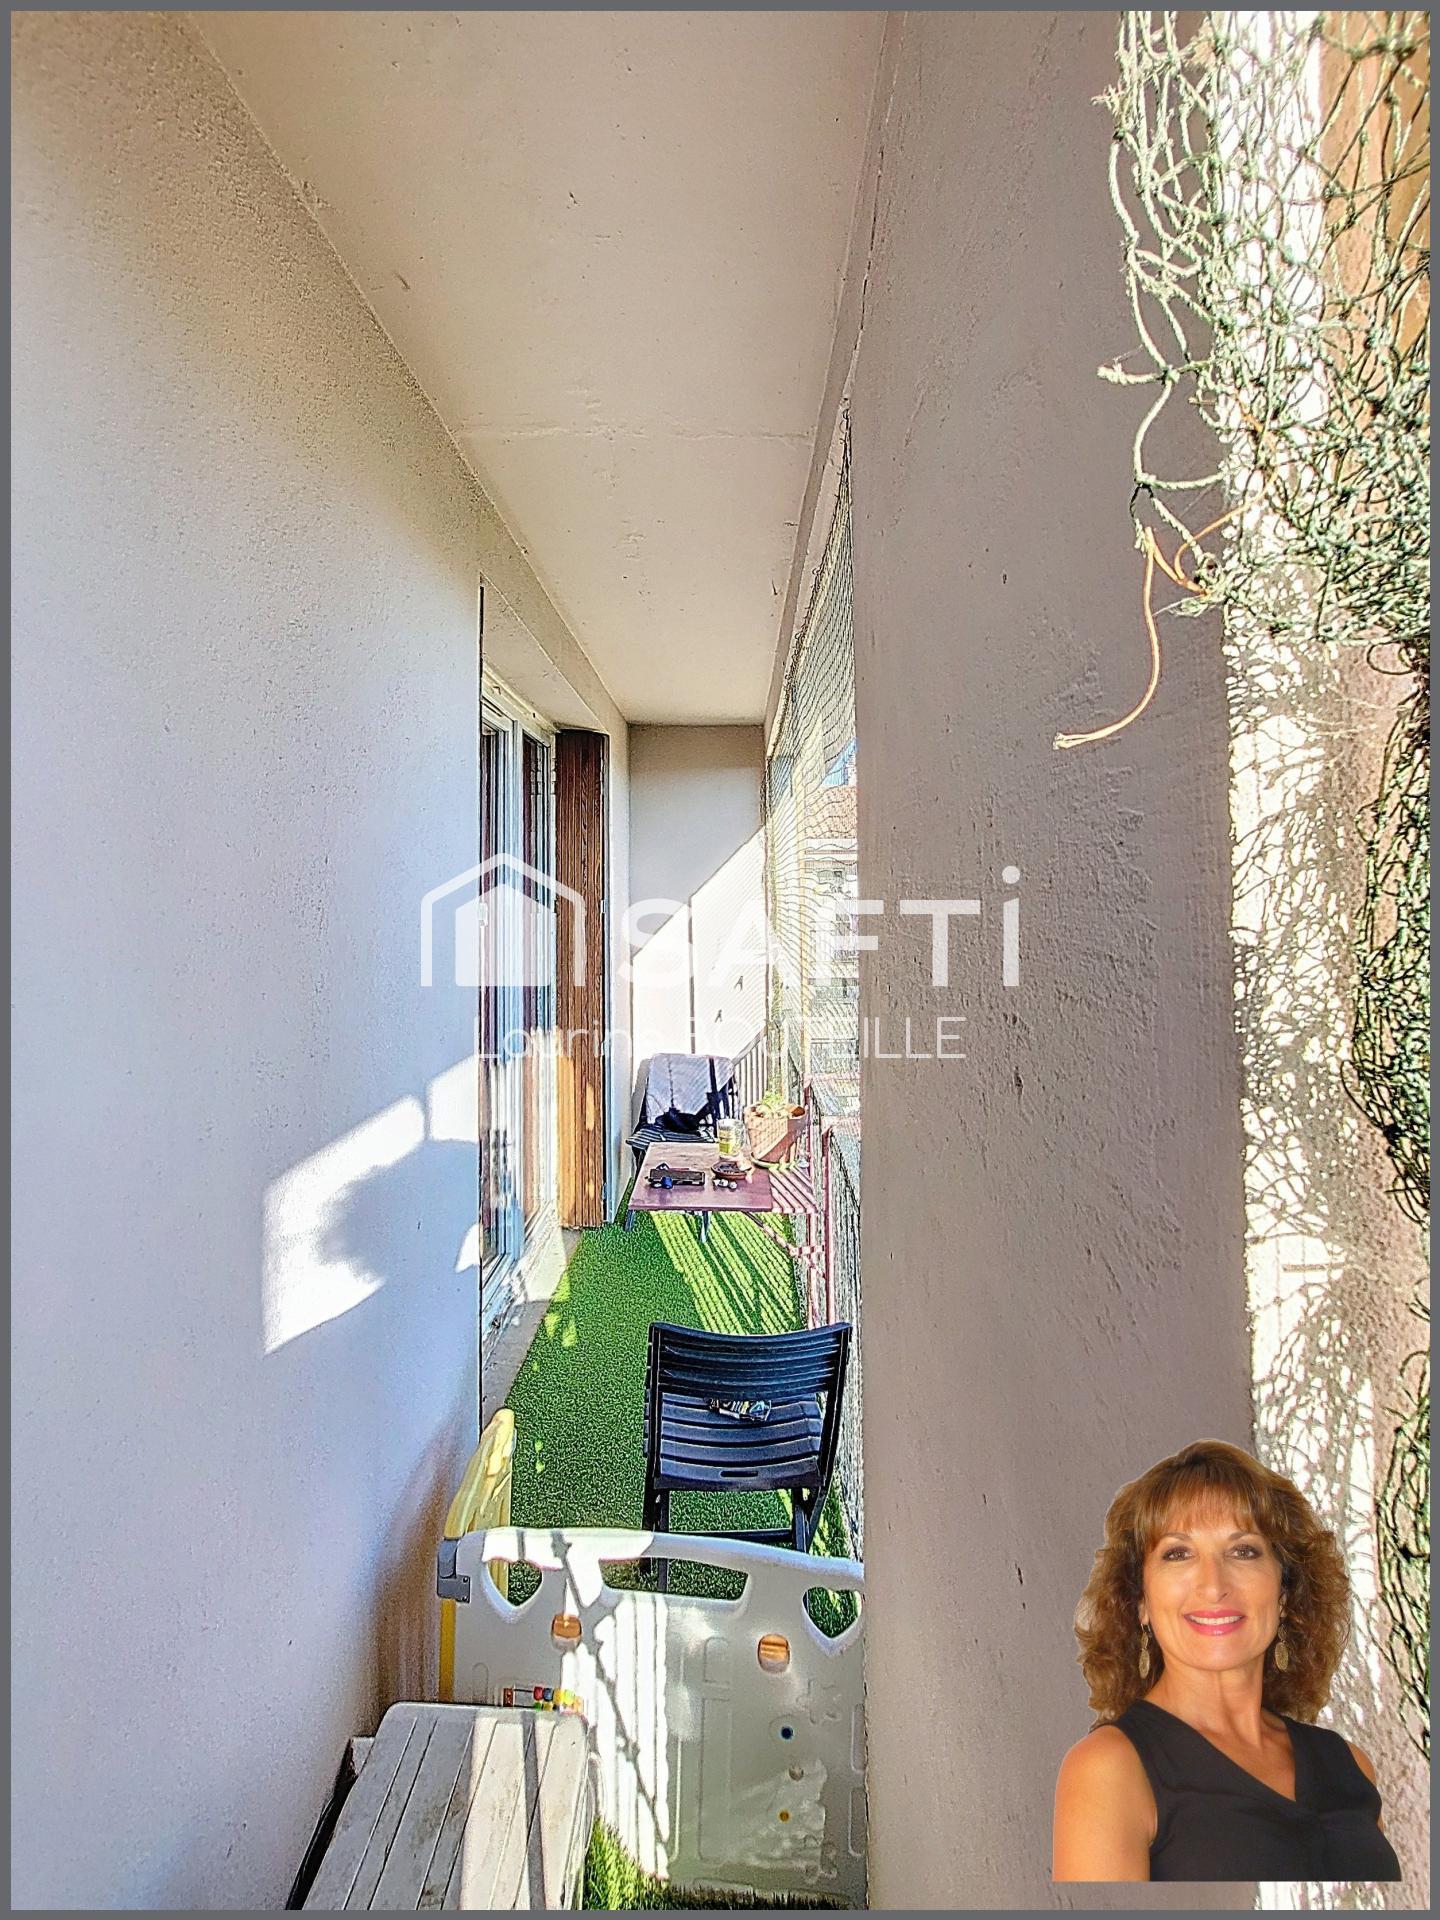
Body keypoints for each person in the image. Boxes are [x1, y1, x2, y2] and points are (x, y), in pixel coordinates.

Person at [1052, 1439, 1400, 1883]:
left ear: (1285, 1592)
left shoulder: (1349, 1764)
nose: (1214, 1585)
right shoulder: (1110, 1769)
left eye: (1243, 1551)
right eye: (1178, 1553)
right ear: (1140, 1600)